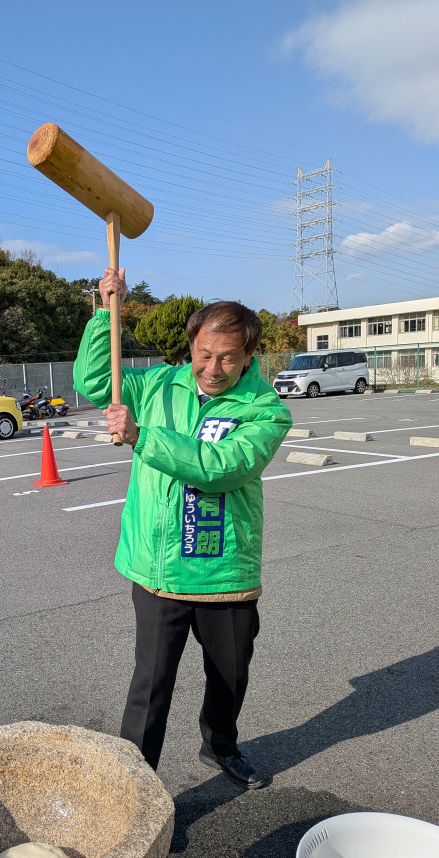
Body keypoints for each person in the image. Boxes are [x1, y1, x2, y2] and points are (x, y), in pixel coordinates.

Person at [73, 269, 292, 788]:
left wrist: (143, 437)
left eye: (228, 357)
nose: (213, 368)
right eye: (204, 354)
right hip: (157, 568)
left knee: (230, 674)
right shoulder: (154, 384)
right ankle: (135, 790)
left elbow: (225, 466)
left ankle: (220, 744)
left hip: (223, 572)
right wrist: (107, 312)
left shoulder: (264, 409)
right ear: (191, 346)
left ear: (249, 355)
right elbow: (95, 382)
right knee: (149, 686)